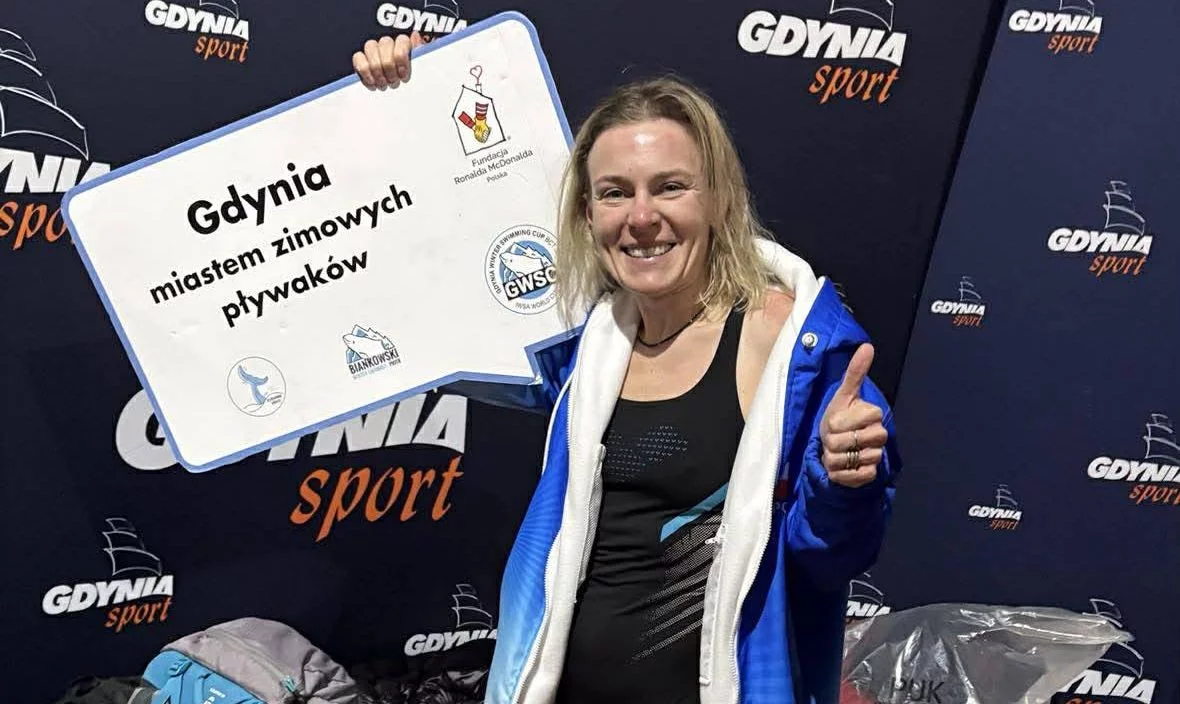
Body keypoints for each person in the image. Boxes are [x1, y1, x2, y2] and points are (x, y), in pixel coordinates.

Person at [353, 31, 901, 704]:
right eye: (615, 193)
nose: (642, 217)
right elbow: (435, 289)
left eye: (670, 187)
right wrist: (416, 96)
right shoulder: (585, 350)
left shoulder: (786, 344)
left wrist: (842, 483)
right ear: (588, 214)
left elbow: (833, 557)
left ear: (717, 199)